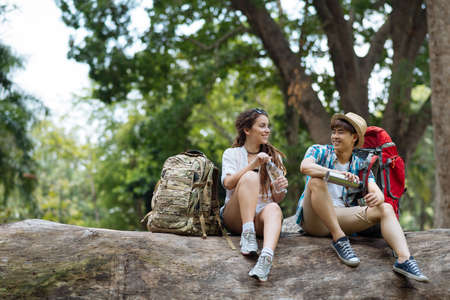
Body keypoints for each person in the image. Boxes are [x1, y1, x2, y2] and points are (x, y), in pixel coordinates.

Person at [295, 112, 429, 282]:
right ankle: (340, 239)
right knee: (316, 181)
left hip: (340, 217)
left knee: (386, 208)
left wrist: (376, 199)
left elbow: (377, 192)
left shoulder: (360, 164)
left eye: (341, 132)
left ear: (354, 138)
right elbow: (305, 167)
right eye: (334, 131)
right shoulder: (319, 150)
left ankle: (404, 259)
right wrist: (337, 174)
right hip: (314, 219)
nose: (335, 136)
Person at [220, 108, 288, 282]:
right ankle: (247, 234)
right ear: (247, 130)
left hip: (261, 219)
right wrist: (253, 165)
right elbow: (228, 184)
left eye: (268, 126)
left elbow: (277, 198)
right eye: (262, 126)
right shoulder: (232, 154)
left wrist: (279, 188)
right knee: (250, 177)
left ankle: (265, 258)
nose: (267, 130)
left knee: (273, 207)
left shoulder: (274, 158)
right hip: (236, 218)